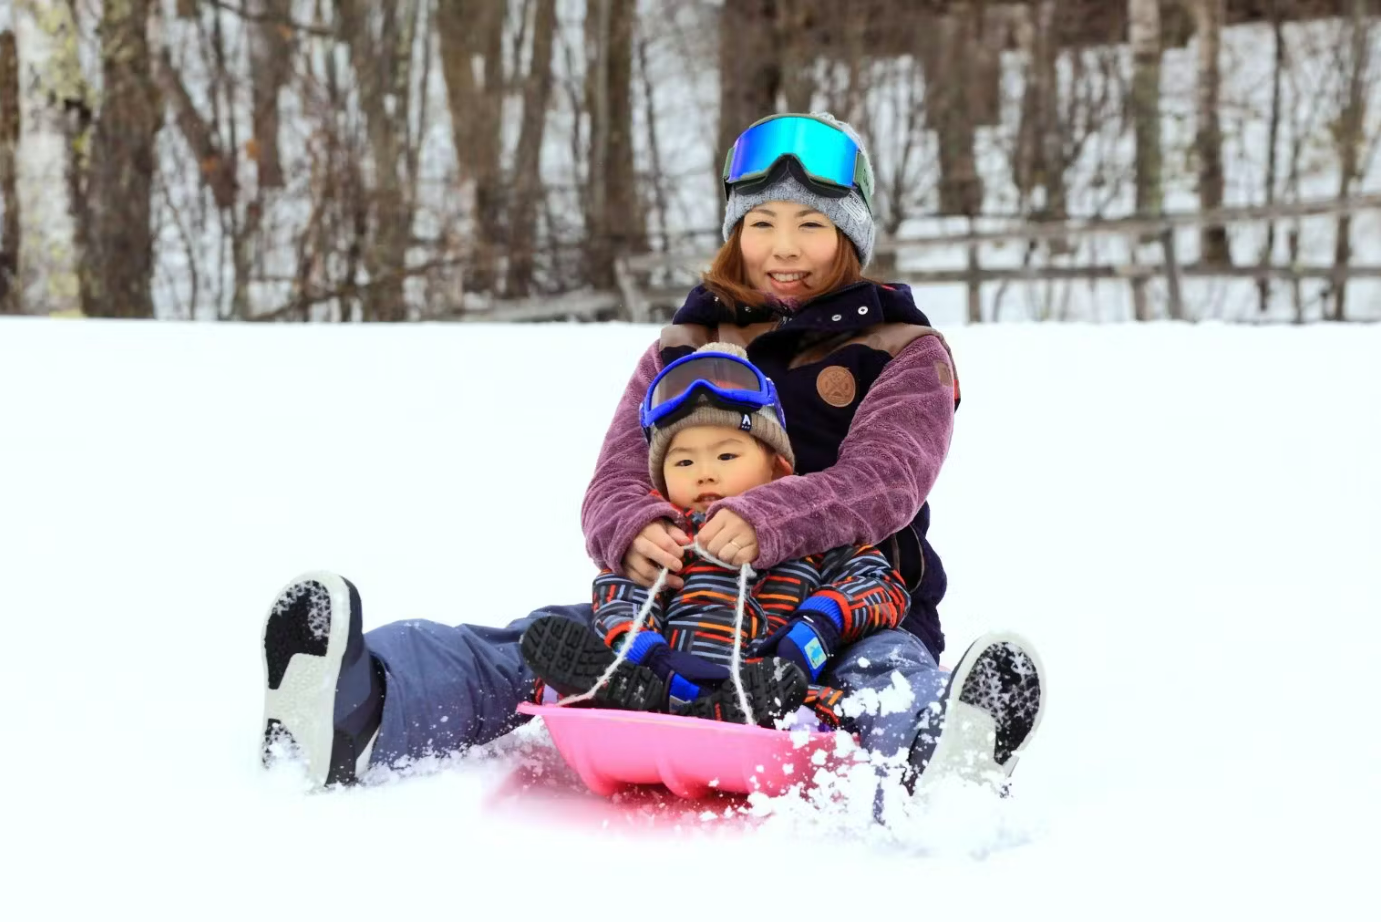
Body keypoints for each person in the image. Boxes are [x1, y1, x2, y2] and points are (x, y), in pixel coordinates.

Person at [260, 112, 1045, 794]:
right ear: (737, 231)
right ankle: (358, 704)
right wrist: (632, 528)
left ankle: (934, 765)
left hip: (844, 605)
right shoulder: (687, 341)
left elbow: (887, 480)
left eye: (812, 225)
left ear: (850, 235)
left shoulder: (904, 349)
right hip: (680, 602)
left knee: (883, 681)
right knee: (521, 647)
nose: (784, 247)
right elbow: (615, 472)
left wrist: (764, 518)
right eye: (762, 223)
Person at [519, 342, 911, 730]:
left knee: (818, 710)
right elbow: (623, 594)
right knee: (594, 673)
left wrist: (818, 625)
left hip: (773, 681)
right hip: (668, 677)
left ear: (777, 467)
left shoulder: (810, 536)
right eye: (684, 461)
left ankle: (724, 711)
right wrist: (651, 654)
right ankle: (629, 694)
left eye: (726, 456)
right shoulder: (670, 537)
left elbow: (881, 586)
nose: (704, 473)